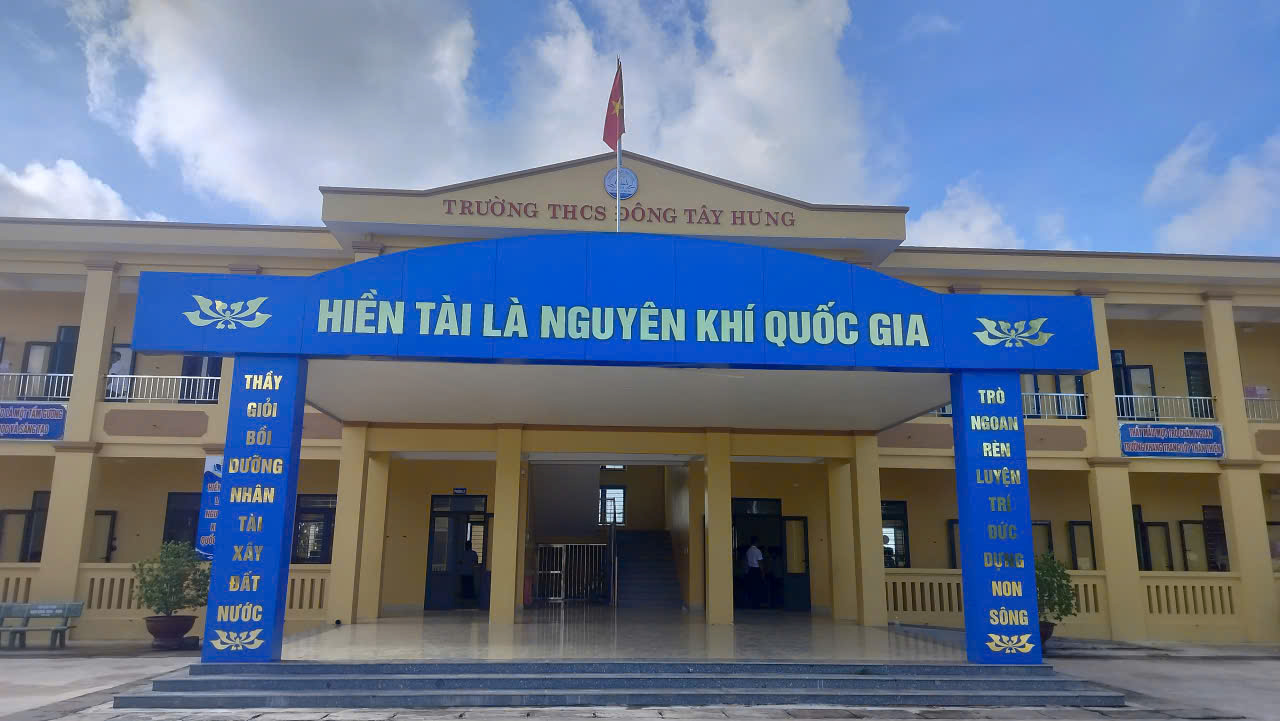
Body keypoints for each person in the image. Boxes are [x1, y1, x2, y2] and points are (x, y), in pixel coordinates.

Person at [745, 536, 765, 608]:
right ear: (756, 542)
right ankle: (757, 604)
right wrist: (763, 572)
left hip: (751, 570)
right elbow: (760, 562)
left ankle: (752, 603)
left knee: (752, 587)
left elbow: (747, 562)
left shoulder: (748, 551)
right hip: (757, 570)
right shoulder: (758, 551)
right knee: (757, 587)